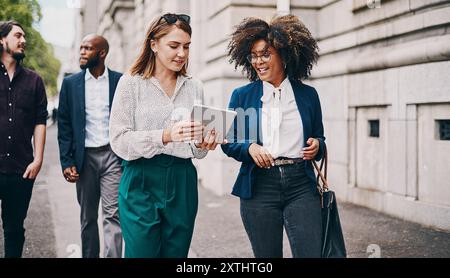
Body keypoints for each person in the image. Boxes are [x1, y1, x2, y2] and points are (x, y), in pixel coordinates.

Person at [109, 13, 221, 258]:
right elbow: (118, 140)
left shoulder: (195, 87)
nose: (182, 53)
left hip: (182, 181)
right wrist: (165, 135)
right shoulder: (131, 83)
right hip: (140, 180)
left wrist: (203, 144)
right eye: (174, 46)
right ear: (154, 45)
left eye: (187, 46)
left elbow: (196, 148)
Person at [221, 15, 326, 258]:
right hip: (259, 186)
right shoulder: (242, 96)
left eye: (265, 54)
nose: (258, 61)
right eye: (253, 56)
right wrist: (249, 148)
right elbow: (229, 142)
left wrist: (317, 146)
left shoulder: (308, 95)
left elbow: (320, 138)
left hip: (301, 184)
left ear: (284, 55)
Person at [57, 34, 123, 258]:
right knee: (88, 218)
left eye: (87, 48)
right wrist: (67, 161)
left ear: (102, 53)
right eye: (81, 48)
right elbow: (64, 125)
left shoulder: (120, 81)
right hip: (84, 159)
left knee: (113, 215)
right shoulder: (70, 83)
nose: (82, 52)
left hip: (113, 156)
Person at [0, 20, 47, 258]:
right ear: (2, 40)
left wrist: (38, 159)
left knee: (14, 229)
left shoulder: (34, 81)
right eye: (18, 35)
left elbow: (40, 120)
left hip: (21, 168)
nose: (23, 40)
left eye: (24, 36)